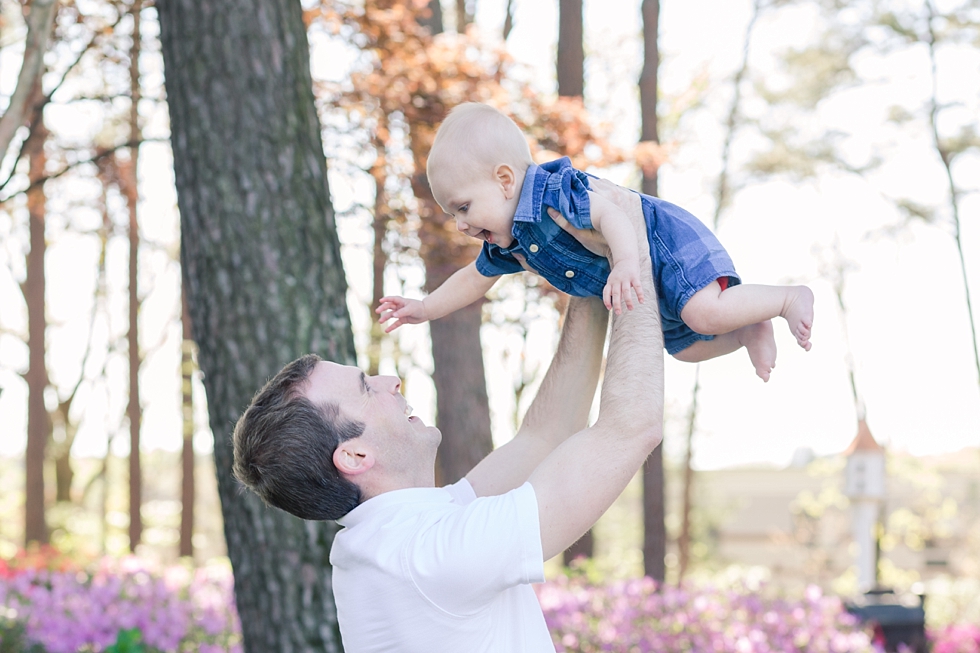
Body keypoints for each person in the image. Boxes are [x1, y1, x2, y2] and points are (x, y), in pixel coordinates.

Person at [232, 182, 664, 652]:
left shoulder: (398, 539)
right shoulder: (426, 557)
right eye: (366, 388)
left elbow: (545, 436)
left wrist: (590, 266)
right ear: (354, 455)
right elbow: (631, 428)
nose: (390, 380)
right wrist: (632, 251)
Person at [377, 102, 815, 382]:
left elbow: (610, 213)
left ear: (505, 180)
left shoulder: (551, 192)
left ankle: (786, 297)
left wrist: (627, 263)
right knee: (685, 348)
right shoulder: (508, 242)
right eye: (454, 215)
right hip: (642, 275)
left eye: (463, 207)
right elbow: (474, 278)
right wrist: (425, 307)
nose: (460, 226)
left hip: (660, 242)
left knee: (702, 313)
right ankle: (747, 328)